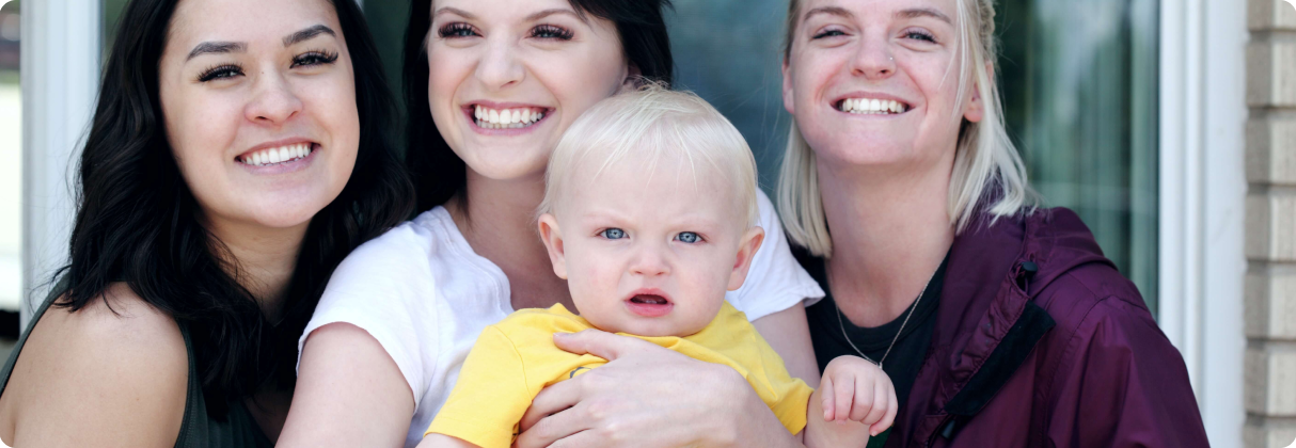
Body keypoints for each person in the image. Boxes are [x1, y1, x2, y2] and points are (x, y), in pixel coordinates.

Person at [279, 1, 829, 447]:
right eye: (460, 29)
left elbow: (807, 430)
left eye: (547, 31)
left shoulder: (720, 215)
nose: (495, 72)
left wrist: (736, 413)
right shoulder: (392, 285)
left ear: (632, 67)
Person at [777, 0, 1209, 446]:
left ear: (975, 90)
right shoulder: (734, 298)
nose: (870, 61)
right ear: (789, 77)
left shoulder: (1092, 330)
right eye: (831, 31)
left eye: (919, 35)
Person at [0, 0, 413, 445]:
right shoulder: (117, 344)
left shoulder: (373, 309)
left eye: (310, 58)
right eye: (222, 71)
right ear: (153, 111)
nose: (276, 104)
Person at [420, 87, 895, 448]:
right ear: (560, 247)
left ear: (738, 261)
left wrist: (843, 409)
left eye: (687, 237)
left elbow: (807, 442)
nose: (649, 265)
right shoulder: (524, 347)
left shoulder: (740, 347)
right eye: (613, 234)